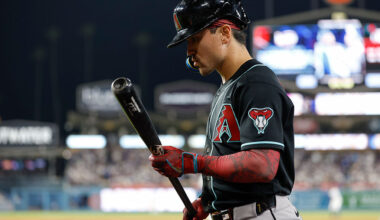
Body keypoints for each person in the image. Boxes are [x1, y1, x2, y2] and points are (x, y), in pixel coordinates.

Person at [149, 0, 301, 219]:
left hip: (261, 213)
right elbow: (228, 156)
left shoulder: (256, 82)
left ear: (225, 33)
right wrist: (210, 202)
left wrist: (189, 162)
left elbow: (262, 164)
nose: (189, 50)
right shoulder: (230, 86)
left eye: (195, 38)